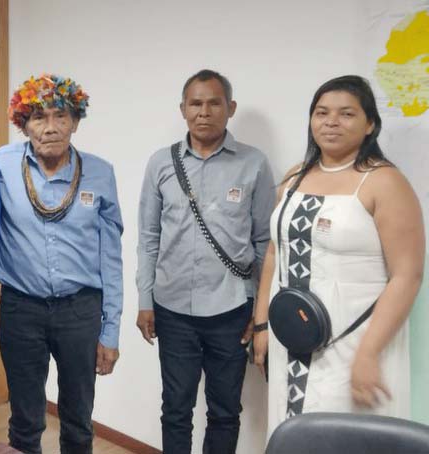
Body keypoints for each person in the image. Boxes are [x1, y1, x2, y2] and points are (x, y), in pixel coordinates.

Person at [251, 75, 424, 436]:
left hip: (355, 344)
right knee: (293, 432)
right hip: (293, 341)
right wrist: (262, 323)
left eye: (346, 113)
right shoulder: (295, 176)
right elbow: (273, 252)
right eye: (321, 112)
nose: (331, 122)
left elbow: (407, 276)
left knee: (346, 439)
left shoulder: (384, 182)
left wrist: (368, 353)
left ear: (370, 124)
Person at [136, 69, 275, 454]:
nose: (204, 112)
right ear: (183, 109)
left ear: (230, 108)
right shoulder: (160, 164)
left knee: (225, 411)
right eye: (195, 103)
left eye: (214, 103)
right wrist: (145, 300)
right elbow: (148, 238)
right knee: (176, 410)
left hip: (232, 308)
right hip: (172, 308)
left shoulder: (255, 164)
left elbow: (265, 242)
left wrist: (259, 310)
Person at [0, 74, 123, 454]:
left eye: (60, 116)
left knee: (79, 419)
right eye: (38, 117)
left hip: (81, 310)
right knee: (25, 420)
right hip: (21, 309)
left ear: (76, 121)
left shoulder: (100, 172)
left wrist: (110, 332)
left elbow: (111, 256)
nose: (50, 127)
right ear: (23, 124)